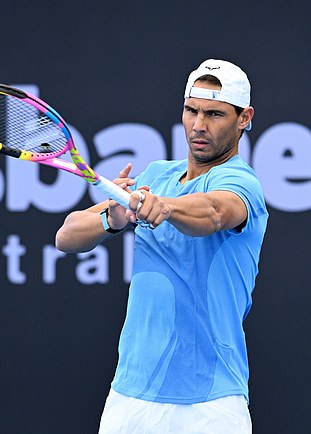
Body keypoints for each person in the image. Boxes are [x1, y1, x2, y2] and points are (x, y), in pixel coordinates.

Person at [55, 59, 268, 433]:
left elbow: (216, 212)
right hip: (131, 398)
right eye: (191, 110)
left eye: (215, 114)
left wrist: (166, 207)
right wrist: (115, 218)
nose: (199, 125)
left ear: (244, 118)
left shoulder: (242, 183)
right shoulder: (156, 176)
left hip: (212, 404)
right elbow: (67, 236)